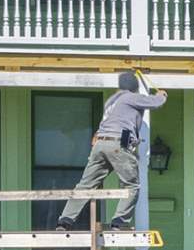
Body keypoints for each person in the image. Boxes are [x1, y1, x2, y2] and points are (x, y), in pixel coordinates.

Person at [60, 70, 168, 227]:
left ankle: (65, 220)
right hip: (119, 141)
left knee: (85, 185)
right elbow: (156, 103)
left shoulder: (111, 101)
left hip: (100, 143)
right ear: (134, 87)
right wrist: (161, 95)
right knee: (131, 185)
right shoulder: (130, 97)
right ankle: (118, 222)